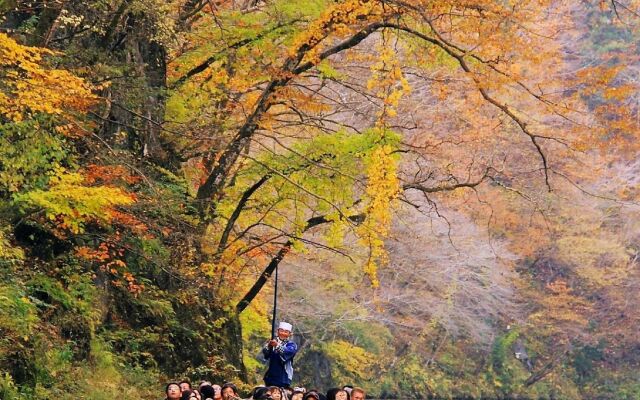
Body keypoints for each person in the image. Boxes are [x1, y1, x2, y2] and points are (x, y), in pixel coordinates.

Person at [262, 321, 298, 387]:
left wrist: (277, 345)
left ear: (290, 334)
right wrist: (269, 346)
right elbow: (265, 353)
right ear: (277, 331)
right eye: (281, 331)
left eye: (286, 332)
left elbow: (287, 352)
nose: (283, 333)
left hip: (283, 378)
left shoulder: (292, 345)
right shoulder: (272, 341)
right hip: (270, 377)